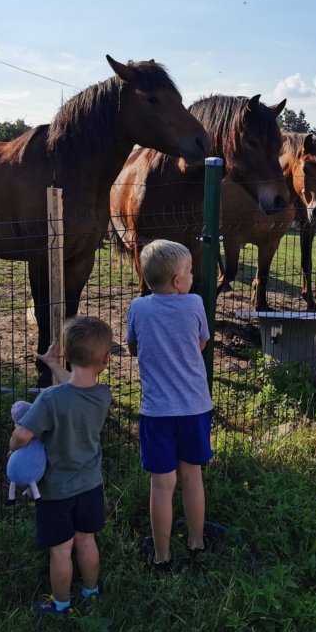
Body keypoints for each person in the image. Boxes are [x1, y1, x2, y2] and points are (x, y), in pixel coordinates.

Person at [9, 315, 114, 615]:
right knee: (86, 540)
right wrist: (54, 365)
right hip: (91, 485)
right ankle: (92, 593)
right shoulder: (102, 396)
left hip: (56, 491)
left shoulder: (51, 399)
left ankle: (61, 604)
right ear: (106, 359)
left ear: (67, 354)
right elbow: (78, 386)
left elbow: (23, 433)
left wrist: (12, 449)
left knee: (61, 549)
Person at [126, 239, 213, 571]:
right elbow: (201, 342)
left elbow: (133, 347)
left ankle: (161, 555)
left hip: (157, 412)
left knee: (161, 485)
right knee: (192, 477)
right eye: (190, 271)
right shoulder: (194, 304)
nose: (192, 276)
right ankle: (196, 541)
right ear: (178, 280)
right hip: (194, 408)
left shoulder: (138, 307)